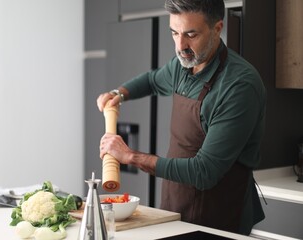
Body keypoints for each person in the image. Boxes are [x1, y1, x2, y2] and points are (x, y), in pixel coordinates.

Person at [97, 0, 266, 235]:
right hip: (176, 205)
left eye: (191, 34)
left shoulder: (239, 86)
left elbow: (204, 172)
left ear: (217, 28)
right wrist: (119, 94)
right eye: (174, 33)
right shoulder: (183, 66)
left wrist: (130, 156)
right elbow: (152, 80)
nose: (180, 46)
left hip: (221, 217)